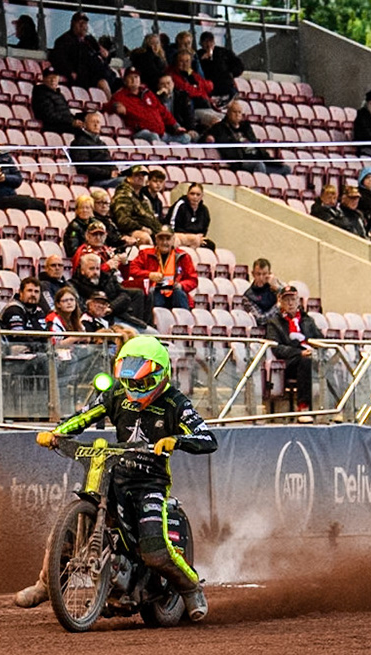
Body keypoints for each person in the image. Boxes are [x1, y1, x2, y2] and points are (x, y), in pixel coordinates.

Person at [31, 336, 217, 618]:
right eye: (129, 382)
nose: (134, 389)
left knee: (154, 550)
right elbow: (84, 415)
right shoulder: (116, 393)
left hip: (150, 484)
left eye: (141, 383)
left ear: (159, 375)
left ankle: (191, 589)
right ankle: (46, 585)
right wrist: (57, 433)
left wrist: (175, 440)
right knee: (68, 530)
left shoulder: (176, 403)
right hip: (114, 473)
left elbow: (208, 438)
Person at [261, 284, 322, 409]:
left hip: (311, 355)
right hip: (289, 361)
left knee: (331, 363)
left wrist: (316, 350)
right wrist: (299, 353)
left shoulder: (307, 320)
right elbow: (277, 348)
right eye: (286, 300)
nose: (290, 303)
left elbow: (320, 339)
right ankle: (303, 406)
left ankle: (338, 406)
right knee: (305, 361)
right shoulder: (274, 323)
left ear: (298, 301)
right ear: (281, 302)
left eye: (293, 299)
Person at [105, 67, 187, 144]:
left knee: (186, 138)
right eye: (130, 78)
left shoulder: (147, 93)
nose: (134, 80)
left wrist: (176, 126)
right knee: (153, 136)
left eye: (136, 77)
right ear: (125, 81)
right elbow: (105, 107)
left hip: (161, 134)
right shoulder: (120, 96)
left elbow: (163, 111)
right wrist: (115, 106)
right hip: (140, 133)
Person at [123, 229, 197, 311]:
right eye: (161, 239)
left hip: (176, 291)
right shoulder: (145, 254)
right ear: (156, 240)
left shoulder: (183, 256)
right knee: (155, 296)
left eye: (168, 239)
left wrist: (181, 285)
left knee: (179, 294)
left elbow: (193, 280)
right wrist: (149, 275)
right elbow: (133, 270)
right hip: (155, 290)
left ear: (173, 240)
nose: (164, 242)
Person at [48, 11, 112, 92]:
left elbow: (103, 56)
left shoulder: (90, 40)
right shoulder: (64, 40)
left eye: (85, 23)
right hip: (84, 77)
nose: (83, 26)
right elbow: (58, 59)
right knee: (103, 83)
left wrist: (106, 55)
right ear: (73, 24)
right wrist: (70, 72)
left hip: (102, 72)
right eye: (80, 23)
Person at [109, 165, 162, 246]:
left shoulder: (143, 197)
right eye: (137, 175)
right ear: (128, 178)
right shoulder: (123, 195)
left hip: (150, 230)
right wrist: (142, 228)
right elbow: (123, 221)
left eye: (143, 175)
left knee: (177, 238)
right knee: (145, 238)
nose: (141, 178)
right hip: (128, 232)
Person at [69, 110, 118, 189]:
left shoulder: (101, 143)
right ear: (84, 125)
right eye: (93, 122)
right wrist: (108, 174)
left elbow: (109, 162)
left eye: (98, 122)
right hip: (96, 181)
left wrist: (115, 171)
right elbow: (84, 167)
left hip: (108, 178)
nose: (96, 125)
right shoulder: (79, 142)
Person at [30, 65, 78, 136]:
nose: (53, 80)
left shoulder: (59, 94)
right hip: (53, 126)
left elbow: (65, 112)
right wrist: (71, 121)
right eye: (50, 78)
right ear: (44, 79)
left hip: (64, 123)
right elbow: (49, 116)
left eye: (55, 78)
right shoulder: (40, 94)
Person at [166, 184, 210, 249]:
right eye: (192, 194)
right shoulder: (180, 205)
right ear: (187, 194)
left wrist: (199, 237)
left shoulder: (204, 210)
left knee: (210, 245)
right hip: (180, 236)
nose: (195, 197)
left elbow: (205, 229)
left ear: (202, 196)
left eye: (198, 194)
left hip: (197, 238)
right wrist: (191, 237)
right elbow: (172, 226)